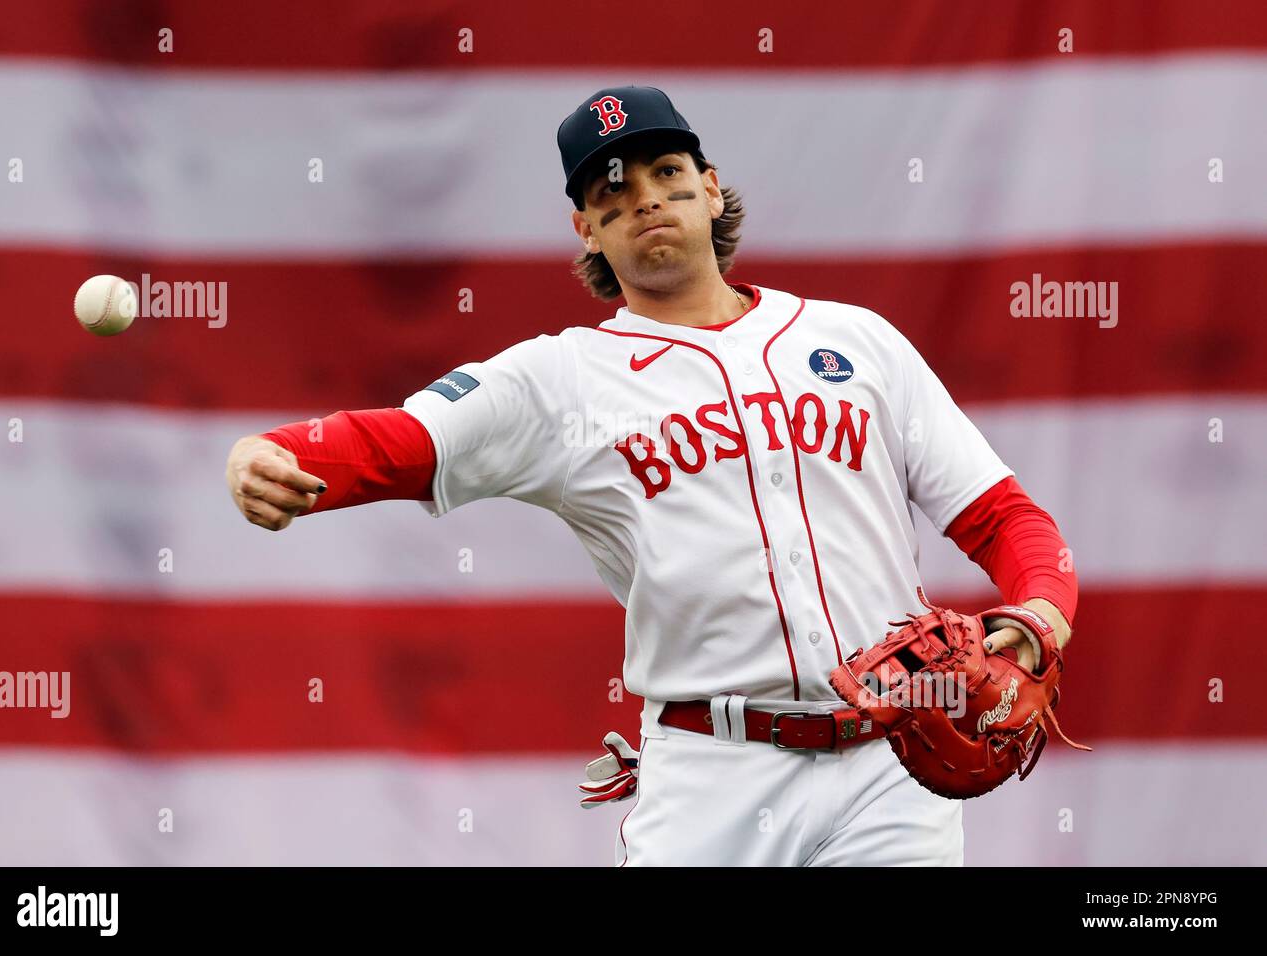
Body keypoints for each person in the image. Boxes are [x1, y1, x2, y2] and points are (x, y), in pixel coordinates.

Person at [225, 86, 1078, 866]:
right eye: (611, 191)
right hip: (713, 773)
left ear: (711, 188)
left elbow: (1003, 516)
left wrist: (1042, 609)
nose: (645, 198)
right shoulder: (560, 380)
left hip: (890, 772)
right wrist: (271, 452)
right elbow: (401, 441)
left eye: (666, 172)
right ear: (586, 231)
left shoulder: (860, 343)